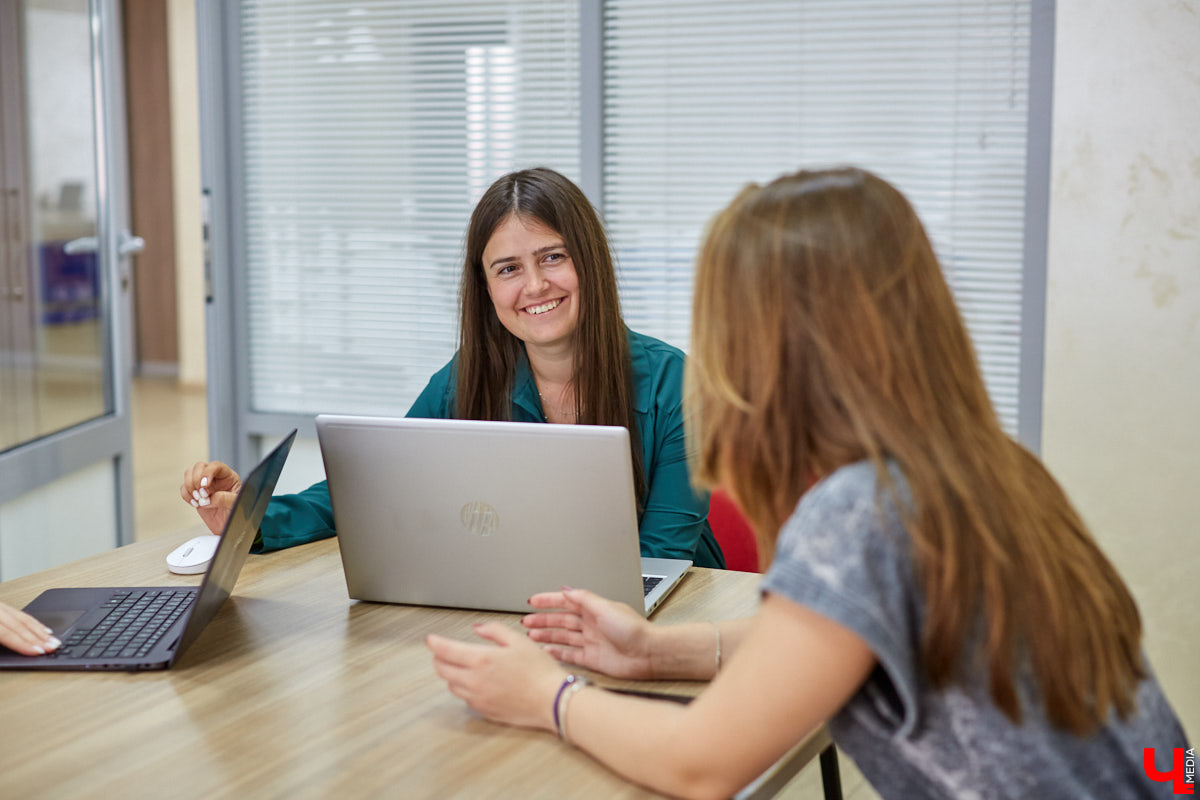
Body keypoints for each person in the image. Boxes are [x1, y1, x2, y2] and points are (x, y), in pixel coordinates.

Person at [424, 167, 1188, 799]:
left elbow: (701, 762)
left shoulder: (860, 515)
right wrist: (658, 653)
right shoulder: (988, 468)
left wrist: (547, 698)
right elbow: (849, 629)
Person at [180, 168, 724, 569]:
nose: (534, 286)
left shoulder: (676, 384)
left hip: (669, 615)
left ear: (591, 261)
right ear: (486, 289)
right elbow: (374, 484)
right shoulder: (468, 377)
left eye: (553, 257)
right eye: (508, 268)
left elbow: (662, 561)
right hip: (525, 604)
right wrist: (252, 515)